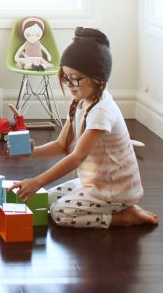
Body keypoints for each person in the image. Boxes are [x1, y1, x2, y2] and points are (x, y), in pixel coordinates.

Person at [10, 27, 158, 228]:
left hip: (114, 189)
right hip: (93, 181)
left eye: (76, 78)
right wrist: (32, 153)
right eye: (65, 77)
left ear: (98, 79)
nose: (69, 84)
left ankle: (125, 216)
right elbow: (62, 145)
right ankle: (117, 209)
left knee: (59, 213)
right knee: (48, 200)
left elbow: (76, 157)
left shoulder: (100, 112)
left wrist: (37, 181)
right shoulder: (80, 101)